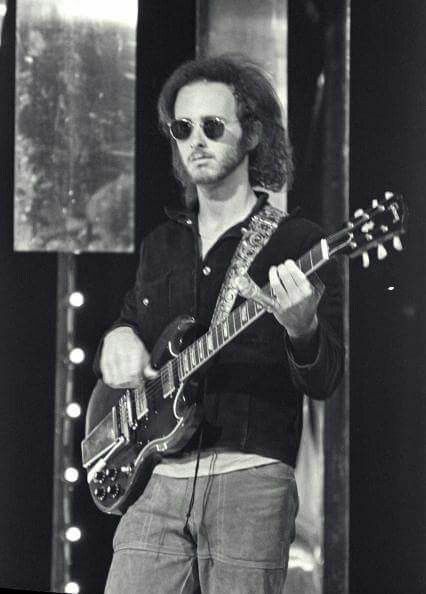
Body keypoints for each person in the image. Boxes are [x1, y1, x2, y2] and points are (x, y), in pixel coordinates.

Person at [97, 54, 343, 594]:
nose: (195, 141)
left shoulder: (299, 243)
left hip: (249, 480)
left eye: (212, 126)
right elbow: (129, 321)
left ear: (251, 134)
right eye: (182, 129)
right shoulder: (162, 245)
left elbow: (325, 378)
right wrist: (118, 338)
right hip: (155, 483)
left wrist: (301, 330)